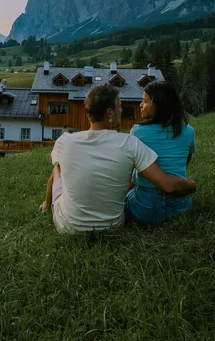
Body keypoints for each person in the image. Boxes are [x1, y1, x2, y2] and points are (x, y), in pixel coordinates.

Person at [40, 83, 196, 234]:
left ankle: (46, 205)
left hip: (68, 227)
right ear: (109, 113)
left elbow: (54, 160)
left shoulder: (65, 141)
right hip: (113, 225)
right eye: (119, 106)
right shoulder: (130, 143)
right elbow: (167, 182)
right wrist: (191, 184)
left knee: (57, 168)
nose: (122, 109)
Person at [126, 81, 196, 226]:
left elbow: (132, 169)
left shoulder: (138, 131)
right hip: (180, 204)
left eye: (144, 101)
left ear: (158, 105)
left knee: (126, 197)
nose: (140, 105)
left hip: (145, 205)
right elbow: (185, 161)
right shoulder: (189, 131)